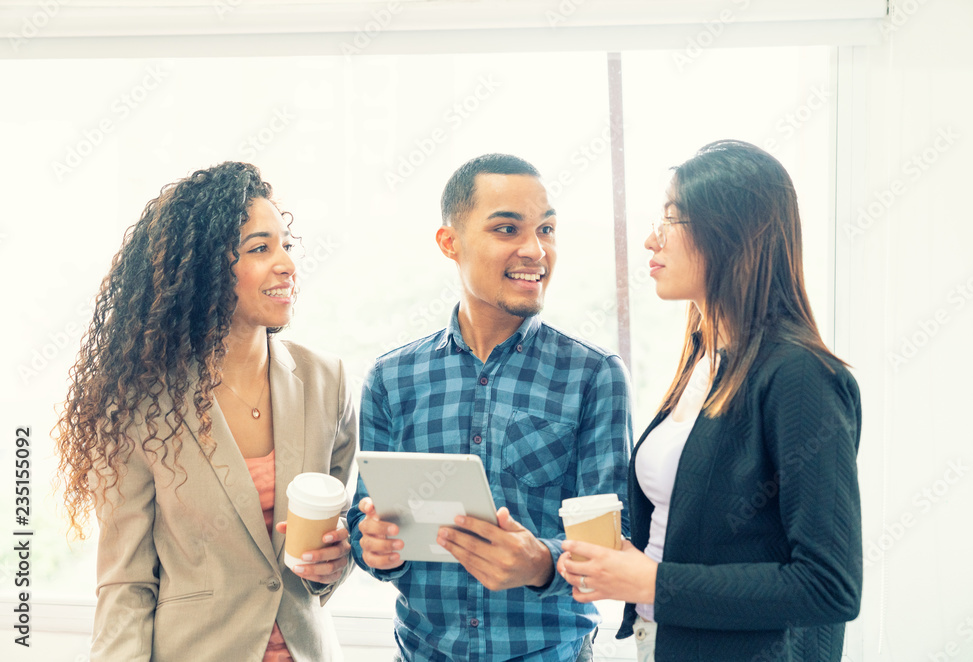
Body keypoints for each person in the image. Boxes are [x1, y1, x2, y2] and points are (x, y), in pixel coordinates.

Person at [556, 140, 862, 662]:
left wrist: (654, 581)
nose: (651, 239)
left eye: (671, 221)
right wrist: (621, 568)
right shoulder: (705, 357)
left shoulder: (799, 376)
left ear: (731, 236)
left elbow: (828, 585)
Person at [55, 162, 357, 661]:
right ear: (205, 270)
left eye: (286, 245)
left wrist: (336, 562)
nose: (286, 264)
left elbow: (337, 533)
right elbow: (126, 584)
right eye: (260, 248)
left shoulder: (328, 381)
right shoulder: (142, 404)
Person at [347, 153, 633, 661]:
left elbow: (614, 544)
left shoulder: (593, 375)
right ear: (449, 242)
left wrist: (541, 563)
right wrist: (374, 548)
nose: (535, 250)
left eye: (546, 229)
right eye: (507, 229)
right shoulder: (392, 378)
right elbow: (366, 524)